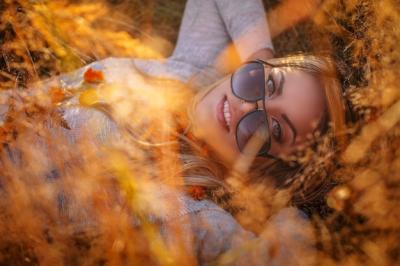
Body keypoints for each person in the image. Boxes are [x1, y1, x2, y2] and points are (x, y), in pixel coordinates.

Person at [0, 0, 346, 265]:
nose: (244, 105)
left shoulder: (184, 210)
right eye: (265, 82)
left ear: (266, 168)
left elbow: (278, 257)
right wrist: (259, 56)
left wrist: (283, 206)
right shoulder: (194, 73)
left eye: (270, 128)